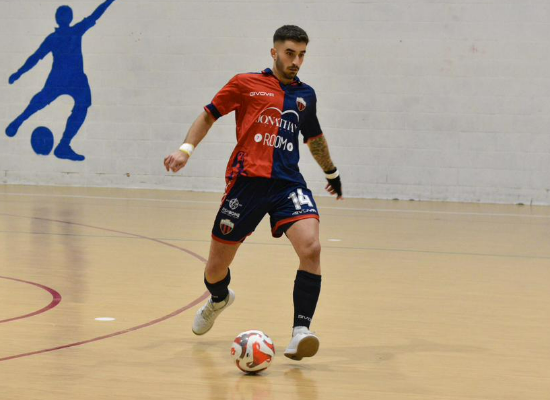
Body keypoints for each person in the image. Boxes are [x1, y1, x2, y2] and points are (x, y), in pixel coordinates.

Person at [164, 25, 343, 361]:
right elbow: (208, 115)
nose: (296, 61)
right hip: (247, 184)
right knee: (215, 269)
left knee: (312, 247)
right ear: (274, 52)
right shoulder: (245, 84)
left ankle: (301, 332)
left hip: (288, 184)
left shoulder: (306, 95)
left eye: (302, 55)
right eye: (290, 53)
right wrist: (185, 150)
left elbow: (314, 137)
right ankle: (219, 298)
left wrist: (331, 172)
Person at [6, 0, 117, 161]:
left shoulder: (68, 33)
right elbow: (35, 57)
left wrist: (18, 74)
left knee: (79, 104)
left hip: (73, 78)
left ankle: (63, 145)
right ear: (62, 18)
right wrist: (18, 73)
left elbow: (95, 15)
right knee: (42, 100)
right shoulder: (65, 34)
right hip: (63, 77)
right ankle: (20, 122)